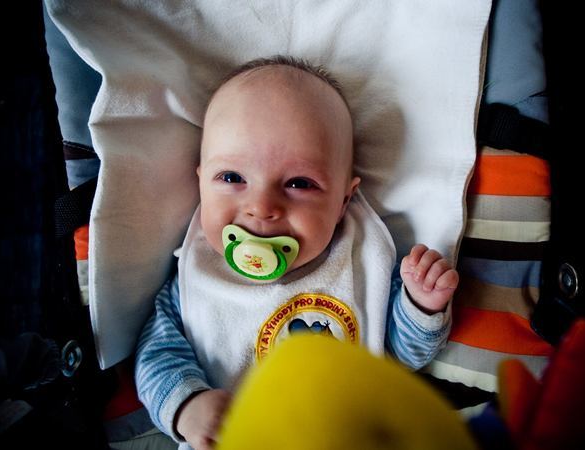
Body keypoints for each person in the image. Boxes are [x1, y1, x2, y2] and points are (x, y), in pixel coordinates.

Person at [135, 56, 459, 450]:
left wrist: (421, 305)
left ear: (343, 201)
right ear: (201, 182)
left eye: (299, 183)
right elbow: (156, 358)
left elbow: (402, 354)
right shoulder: (196, 280)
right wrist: (188, 407)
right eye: (232, 177)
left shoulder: (359, 264)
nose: (261, 207)